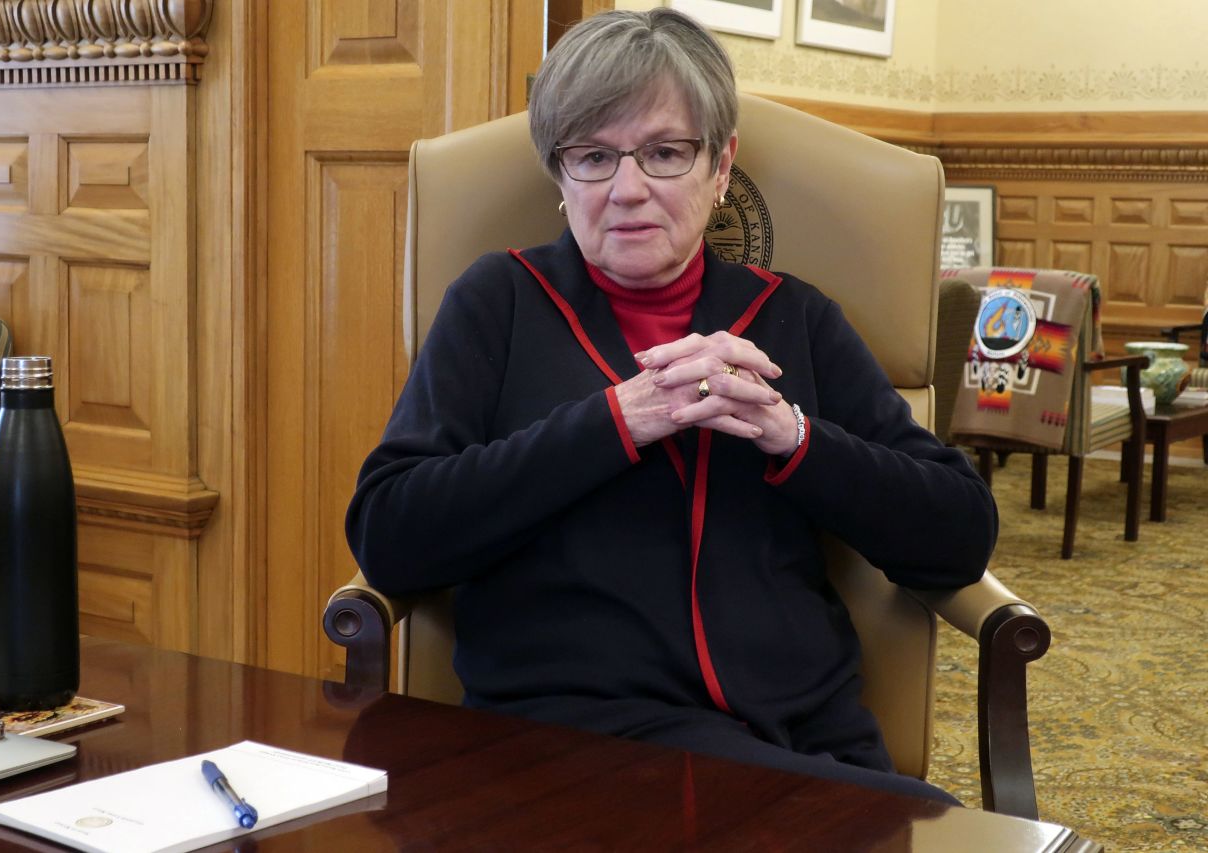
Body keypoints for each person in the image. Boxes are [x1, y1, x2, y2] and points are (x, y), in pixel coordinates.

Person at [347, 8, 997, 804]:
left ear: (721, 168)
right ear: (559, 176)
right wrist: (615, 421)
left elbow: (958, 534)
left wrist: (791, 435)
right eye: (592, 156)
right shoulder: (500, 301)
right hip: (566, 751)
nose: (628, 190)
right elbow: (391, 533)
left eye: (664, 153)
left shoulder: (796, 316)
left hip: (806, 740)